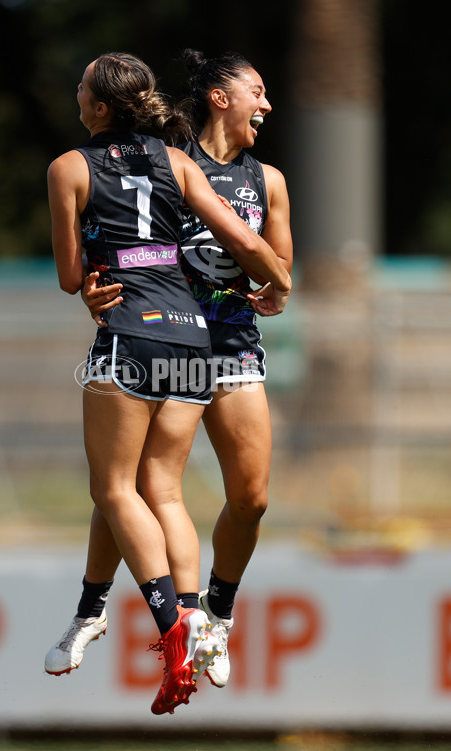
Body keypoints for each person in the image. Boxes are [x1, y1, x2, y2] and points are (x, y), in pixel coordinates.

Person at [45, 52, 291, 715]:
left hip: (164, 337)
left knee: (128, 487)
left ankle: (188, 621)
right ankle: (118, 610)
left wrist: (95, 280)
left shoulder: (75, 166)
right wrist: (275, 271)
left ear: (99, 106)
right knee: (153, 487)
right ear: (218, 97)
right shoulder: (173, 157)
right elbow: (221, 237)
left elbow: (75, 272)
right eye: (258, 91)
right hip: (191, 337)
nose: (266, 104)